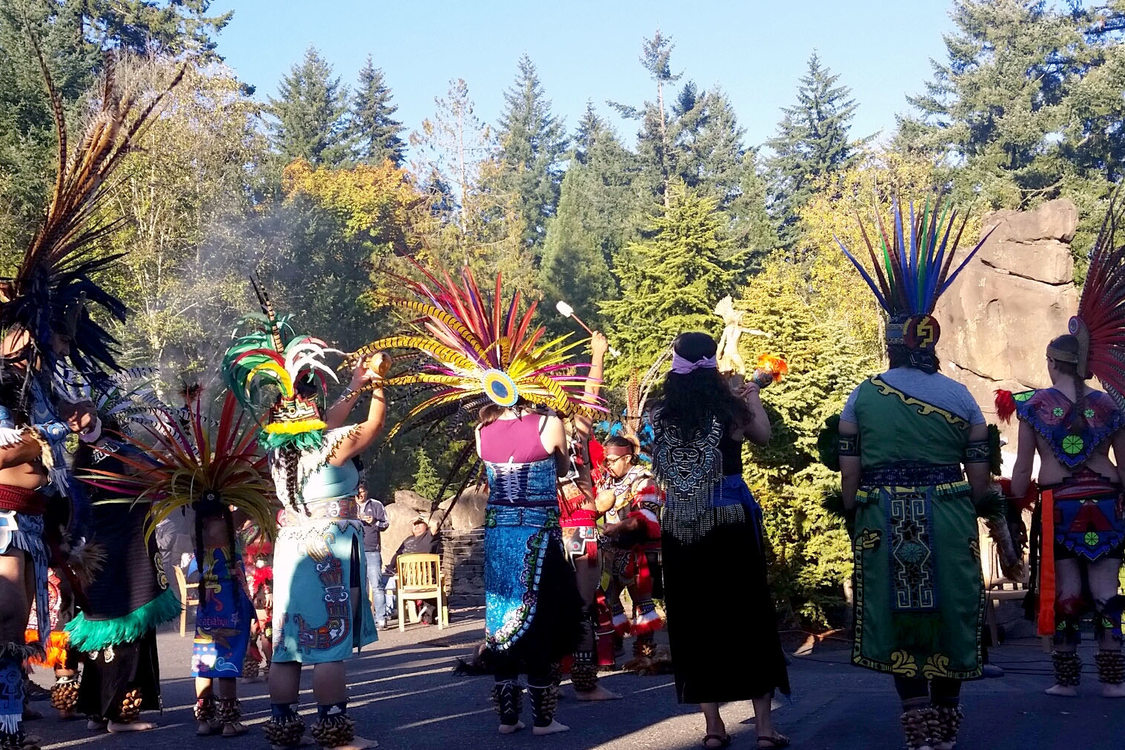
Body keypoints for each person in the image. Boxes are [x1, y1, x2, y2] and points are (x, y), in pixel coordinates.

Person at [833, 196, 1017, 750]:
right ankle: (946, 724)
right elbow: (983, 484)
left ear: (892, 344)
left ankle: (916, 725)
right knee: (954, 610)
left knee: (896, 612)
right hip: (948, 513)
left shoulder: (862, 396)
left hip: (883, 517)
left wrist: (853, 509)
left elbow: (849, 477)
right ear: (933, 341)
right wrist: (994, 523)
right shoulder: (961, 398)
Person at [223, 297, 386, 750]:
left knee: (290, 642)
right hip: (325, 545)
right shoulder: (330, 445)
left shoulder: (281, 444)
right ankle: (334, 734)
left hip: (294, 542)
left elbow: (324, 421)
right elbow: (371, 427)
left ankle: (284, 726)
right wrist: (377, 386)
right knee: (328, 642)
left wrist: (353, 384)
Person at [651, 332, 789, 750]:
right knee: (747, 614)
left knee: (695, 618)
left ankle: (713, 727)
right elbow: (763, 436)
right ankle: (764, 728)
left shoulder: (660, 411)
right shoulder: (730, 407)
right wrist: (753, 400)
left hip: (680, 524)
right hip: (728, 523)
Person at [1005, 334, 1125, 697]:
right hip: (1107, 503)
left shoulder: (1032, 405)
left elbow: (1022, 473)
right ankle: (1113, 681)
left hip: (1060, 505)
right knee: (1107, 589)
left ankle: (1067, 680)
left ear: (1052, 362)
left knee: (1066, 590)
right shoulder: (1110, 405)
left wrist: (1010, 501)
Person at [65, 403, 181, 733]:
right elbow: (151, 467)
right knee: (127, 635)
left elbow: (151, 464)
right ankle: (117, 714)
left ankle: (97, 712)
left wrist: (173, 428)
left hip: (103, 556)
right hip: (124, 559)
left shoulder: (92, 462)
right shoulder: (111, 456)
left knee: (108, 637)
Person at [476, 400, 583, 735]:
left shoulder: (482, 430)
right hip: (538, 533)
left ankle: (508, 717)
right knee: (541, 617)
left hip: (498, 535)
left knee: (500, 616)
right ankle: (543, 719)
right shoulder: (547, 424)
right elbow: (563, 468)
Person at [557, 331, 620, 699]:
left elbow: (590, 399)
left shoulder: (537, 431)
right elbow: (591, 397)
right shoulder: (574, 431)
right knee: (581, 606)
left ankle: (548, 681)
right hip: (578, 525)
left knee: (553, 603)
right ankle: (584, 684)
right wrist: (597, 356)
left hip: (552, 527)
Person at [596, 435, 665, 671]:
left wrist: (618, 527)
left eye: (614, 460)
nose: (609, 465)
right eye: (607, 461)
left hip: (640, 551)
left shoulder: (644, 480)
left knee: (642, 602)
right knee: (610, 600)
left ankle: (645, 656)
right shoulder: (606, 480)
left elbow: (649, 518)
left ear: (627, 458)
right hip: (612, 551)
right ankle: (612, 648)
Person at [356, 482, 389, 628]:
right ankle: (363, 620)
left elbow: (386, 524)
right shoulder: (348, 505)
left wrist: (374, 522)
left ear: (367, 492)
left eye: (362, 491)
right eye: (357, 491)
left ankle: (381, 618)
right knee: (359, 587)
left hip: (372, 550)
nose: (360, 494)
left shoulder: (376, 505)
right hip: (353, 551)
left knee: (376, 585)